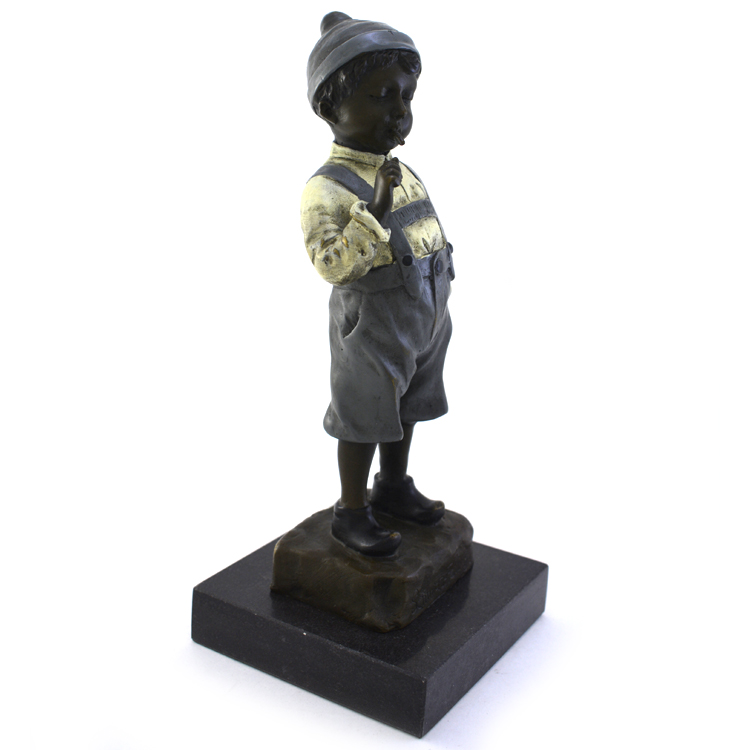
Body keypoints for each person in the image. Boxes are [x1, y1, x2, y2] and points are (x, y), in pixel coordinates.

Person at [302, 12, 455, 556]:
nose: (400, 111)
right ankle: (351, 509)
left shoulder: (400, 169)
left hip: (426, 311)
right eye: (383, 96)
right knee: (365, 411)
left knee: (408, 402)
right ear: (332, 107)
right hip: (373, 322)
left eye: (406, 96)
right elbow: (332, 265)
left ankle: (391, 485)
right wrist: (377, 208)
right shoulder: (327, 188)